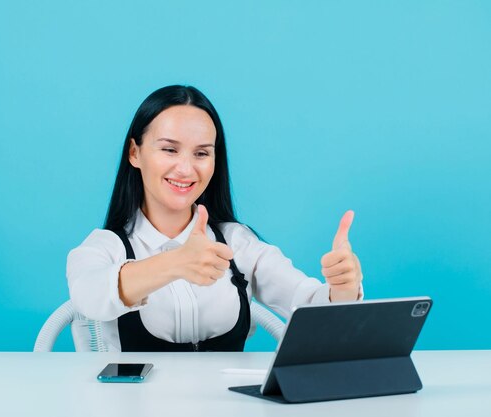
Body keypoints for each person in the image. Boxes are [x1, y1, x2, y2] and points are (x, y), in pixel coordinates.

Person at [66, 85, 363, 352]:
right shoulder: (105, 247)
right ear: (135, 153)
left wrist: (343, 289)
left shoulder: (236, 242)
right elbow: (88, 297)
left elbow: (309, 304)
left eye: (201, 153)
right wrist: (176, 262)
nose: (185, 169)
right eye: (169, 149)